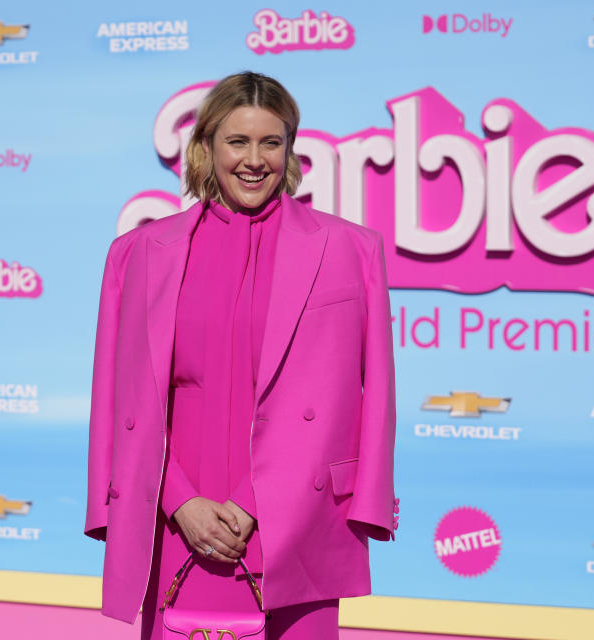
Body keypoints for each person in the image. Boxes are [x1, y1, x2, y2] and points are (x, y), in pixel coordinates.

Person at [84, 71, 397, 639]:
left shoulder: (352, 249)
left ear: (290, 149)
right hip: (175, 517)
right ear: (205, 146)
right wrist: (180, 502)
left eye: (270, 143)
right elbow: (120, 398)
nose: (255, 160)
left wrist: (260, 500)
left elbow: (367, 395)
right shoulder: (138, 254)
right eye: (238, 141)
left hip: (301, 516)